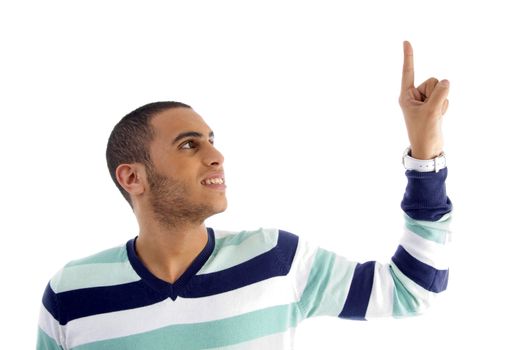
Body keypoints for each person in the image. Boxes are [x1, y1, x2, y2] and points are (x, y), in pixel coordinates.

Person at [37, 41, 453, 350]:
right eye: (188, 145)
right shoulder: (72, 293)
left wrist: (425, 152)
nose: (216, 156)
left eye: (212, 141)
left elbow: (412, 290)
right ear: (132, 177)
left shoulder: (273, 259)